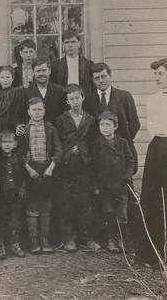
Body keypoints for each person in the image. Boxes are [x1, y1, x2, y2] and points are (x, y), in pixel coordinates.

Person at [139, 58, 167, 265]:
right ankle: (154, 253)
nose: (157, 78)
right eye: (155, 74)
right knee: (155, 198)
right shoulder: (152, 99)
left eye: (161, 74)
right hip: (158, 148)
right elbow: (154, 127)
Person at [54, 84, 100, 252]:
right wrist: (68, 150)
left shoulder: (90, 119)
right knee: (66, 202)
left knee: (85, 202)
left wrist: (84, 152)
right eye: (71, 99)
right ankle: (69, 239)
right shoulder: (61, 120)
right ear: (67, 101)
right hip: (66, 165)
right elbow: (57, 142)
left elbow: (93, 142)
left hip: (84, 164)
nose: (75, 102)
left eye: (77, 98)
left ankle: (87, 238)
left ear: (83, 98)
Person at [20, 97, 62, 254]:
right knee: (32, 207)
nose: (37, 112)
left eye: (40, 109)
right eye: (34, 110)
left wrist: (51, 167)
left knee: (46, 207)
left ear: (44, 111)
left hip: (47, 170)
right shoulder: (24, 129)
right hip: (31, 170)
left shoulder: (50, 128)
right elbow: (20, 153)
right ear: (28, 111)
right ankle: (34, 241)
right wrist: (29, 169)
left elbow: (58, 150)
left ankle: (45, 240)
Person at [83, 62, 140, 175]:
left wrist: (120, 141)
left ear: (110, 75)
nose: (100, 81)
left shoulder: (124, 96)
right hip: (98, 151)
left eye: (103, 76)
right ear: (92, 80)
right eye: (97, 78)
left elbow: (134, 123)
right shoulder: (88, 100)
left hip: (121, 150)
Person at [91, 111, 134, 254]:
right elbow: (93, 166)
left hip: (121, 185)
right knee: (108, 213)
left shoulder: (122, 143)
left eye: (108, 125)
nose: (104, 128)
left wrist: (127, 177)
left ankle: (122, 239)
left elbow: (131, 162)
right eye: (102, 124)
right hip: (104, 186)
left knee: (122, 215)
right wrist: (96, 186)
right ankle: (111, 240)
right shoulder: (96, 144)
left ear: (115, 127)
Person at [15, 57, 65, 137]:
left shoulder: (60, 91)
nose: (41, 73)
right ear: (33, 72)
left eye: (44, 70)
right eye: (38, 71)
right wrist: (18, 126)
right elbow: (17, 115)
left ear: (49, 71)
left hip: (55, 136)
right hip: (32, 136)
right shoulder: (25, 92)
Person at [0, 130, 26, 259]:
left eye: (10, 142)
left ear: (15, 144)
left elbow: (22, 176)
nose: (7, 145)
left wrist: (21, 189)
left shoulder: (18, 158)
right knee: (1, 220)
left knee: (14, 220)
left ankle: (15, 244)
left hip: (15, 195)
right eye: (4, 142)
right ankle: (0, 245)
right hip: (2, 195)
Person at [51, 30, 95, 96]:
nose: (70, 45)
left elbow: (93, 87)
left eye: (73, 42)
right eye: (67, 42)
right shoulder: (56, 66)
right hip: (63, 101)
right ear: (63, 44)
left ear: (79, 43)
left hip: (84, 101)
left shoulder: (89, 65)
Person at [0, 65, 21, 140]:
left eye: (7, 77)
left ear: (13, 78)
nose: (5, 80)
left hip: (10, 123)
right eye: (2, 77)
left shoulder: (17, 91)